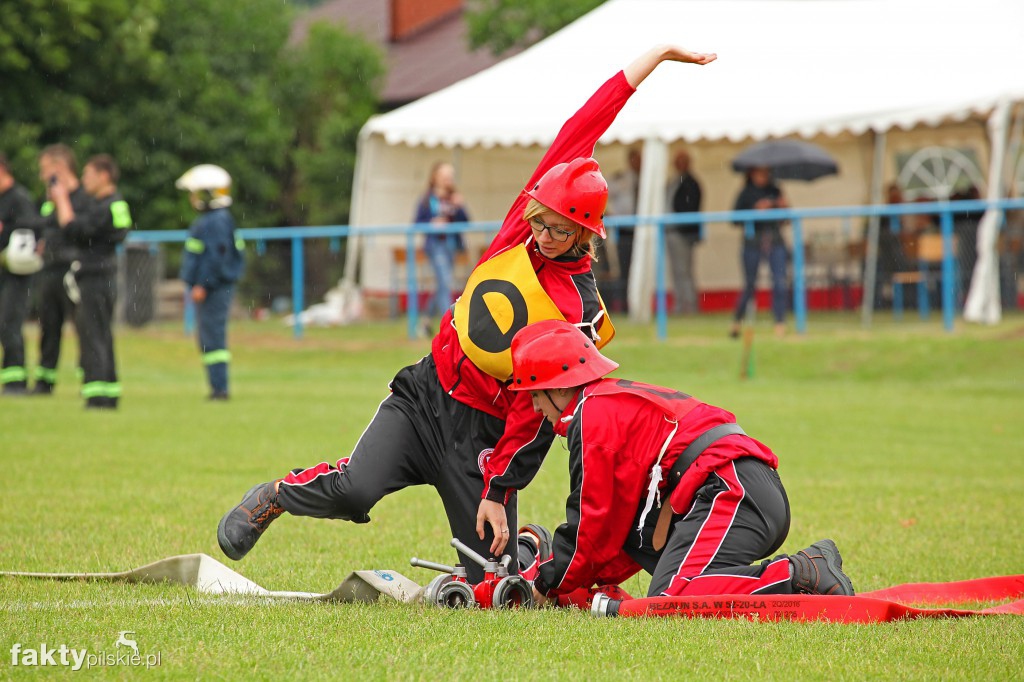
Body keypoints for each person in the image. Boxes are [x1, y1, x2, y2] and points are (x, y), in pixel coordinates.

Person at [215, 44, 718, 582]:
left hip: (482, 438)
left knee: (493, 582)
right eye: (540, 222)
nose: (544, 237)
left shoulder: (579, 312)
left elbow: (537, 411)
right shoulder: (516, 234)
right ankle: (273, 497)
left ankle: (526, 543)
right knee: (356, 488)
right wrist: (654, 58)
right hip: (425, 396)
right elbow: (583, 126)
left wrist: (500, 488)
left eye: (560, 230)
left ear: (586, 233)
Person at [507, 319, 854, 604]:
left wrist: (545, 585)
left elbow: (590, 525)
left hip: (731, 491)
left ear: (561, 387)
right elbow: (621, 529)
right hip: (741, 488)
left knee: (671, 598)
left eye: (537, 394)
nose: (536, 408)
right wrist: (573, 583)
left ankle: (800, 573)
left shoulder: (592, 416)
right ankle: (794, 573)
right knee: (667, 591)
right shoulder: (606, 402)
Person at [50, 154, 133, 409]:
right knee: (102, 333)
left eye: (88, 174)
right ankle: (108, 390)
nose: (84, 180)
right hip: (103, 273)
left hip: (96, 275)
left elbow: (75, 231)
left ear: (104, 175)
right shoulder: (113, 204)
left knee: (92, 333)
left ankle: (97, 396)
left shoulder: (107, 205)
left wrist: (62, 201)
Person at [177, 164, 245, 401]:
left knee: (213, 337)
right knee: (208, 337)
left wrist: (202, 285)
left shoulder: (215, 221)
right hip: (212, 286)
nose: (193, 198)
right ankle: (217, 387)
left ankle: (220, 389)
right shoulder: (214, 220)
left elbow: (215, 257)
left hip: (213, 288)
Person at [32, 144, 92, 395]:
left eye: (45, 169)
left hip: (74, 270)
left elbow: (81, 232)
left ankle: (89, 380)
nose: (41, 176)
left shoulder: (84, 198)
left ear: (59, 167)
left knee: (83, 327)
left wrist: (63, 200)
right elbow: (46, 227)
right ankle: (45, 382)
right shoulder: (49, 200)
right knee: (48, 327)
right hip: (49, 270)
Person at [729, 166, 790, 338]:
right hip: (752, 242)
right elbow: (734, 219)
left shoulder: (775, 190)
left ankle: (779, 323)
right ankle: (736, 322)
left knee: (779, 281)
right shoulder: (746, 193)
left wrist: (783, 207)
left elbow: (786, 219)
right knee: (749, 284)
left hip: (774, 240)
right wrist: (755, 210)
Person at [0, 155, 42, 395]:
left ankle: (16, 382)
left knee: (9, 323)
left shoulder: (19, 198)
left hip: (17, 272)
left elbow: (31, 227)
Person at [415, 162, 468, 336]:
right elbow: (417, 223)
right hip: (435, 245)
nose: (448, 179)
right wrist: (432, 224)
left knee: (441, 285)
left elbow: (466, 222)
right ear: (435, 177)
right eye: (445, 176)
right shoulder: (427, 199)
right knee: (446, 282)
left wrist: (461, 207)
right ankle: (452, 328)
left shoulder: (454, 198)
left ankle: (425, 322)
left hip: (451, 245)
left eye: (450, 176)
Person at [665, 149, 703, 314]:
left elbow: (690, 206)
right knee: (677, 271)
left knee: (684, 271)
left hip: (682, 232)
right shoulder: (675, 181)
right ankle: (681, 304)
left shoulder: (691, 183)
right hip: (672, 231)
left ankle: (689, 306)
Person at [605, 148, 642, 312]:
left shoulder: (647, 180)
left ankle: (638, 302)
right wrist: (608, 214)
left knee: (639, 268)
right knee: (624, 268)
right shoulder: (621, 178)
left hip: (642, 230)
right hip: (624, 230)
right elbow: (604, 193)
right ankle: (624, 305)